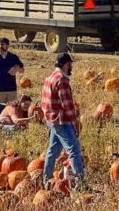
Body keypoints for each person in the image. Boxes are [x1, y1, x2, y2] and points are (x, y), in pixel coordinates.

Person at [41, 53, 84, 183]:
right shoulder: (62, 81)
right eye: (70, 64)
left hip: (51, 120)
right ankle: (80, 183)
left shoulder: (50, 78)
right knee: (74, 150)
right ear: (66, 65)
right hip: (61, 121)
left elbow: (43, 102)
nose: (71, 67)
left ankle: (46, 180)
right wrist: (75, 124)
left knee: (53, 151)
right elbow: (68, 106)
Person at [0, 38, 25, 104]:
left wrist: (16, 68)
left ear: (7, 46)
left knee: (12, 109)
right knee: (1, 110)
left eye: (2, 45)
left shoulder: (13, 57)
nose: (0, 47)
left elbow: (22, 70)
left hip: (11, 89)